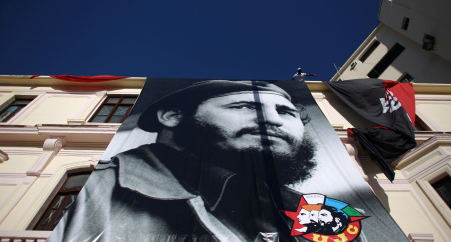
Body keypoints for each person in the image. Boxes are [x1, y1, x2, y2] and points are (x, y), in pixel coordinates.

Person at [47, 80, 317, 242]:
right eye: (244, 106)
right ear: (172, 116)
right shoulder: (101, 189)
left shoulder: (319, 213)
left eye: (286, 112)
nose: (274, 120)